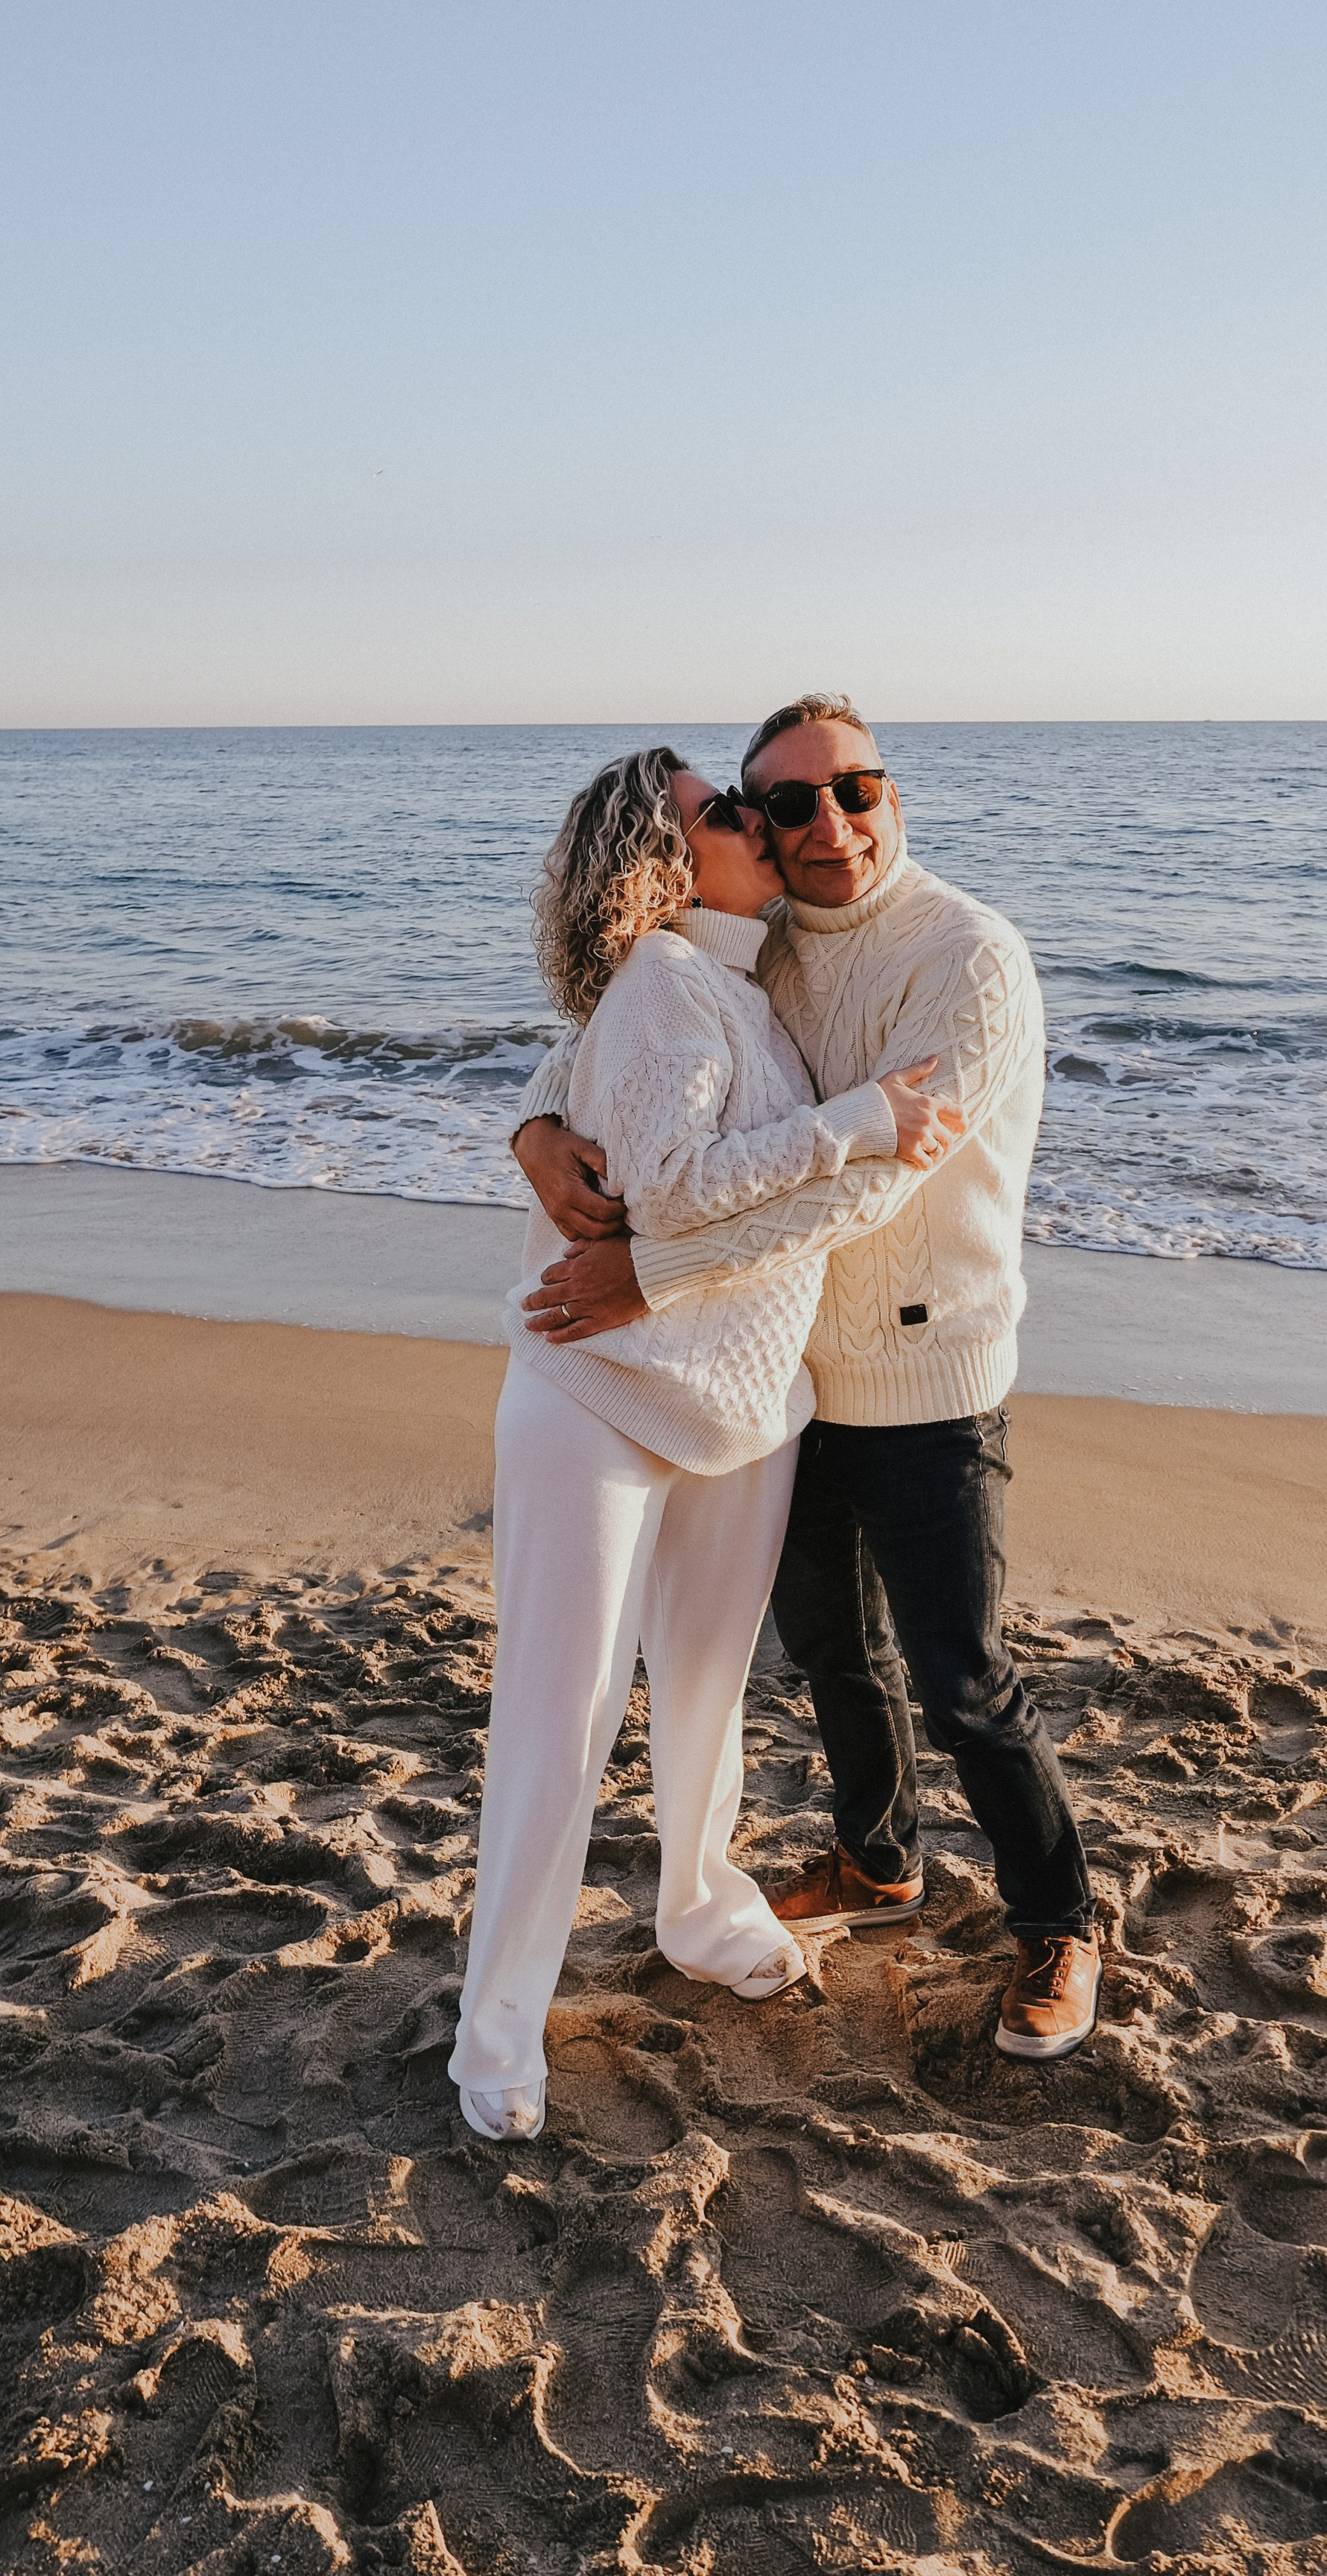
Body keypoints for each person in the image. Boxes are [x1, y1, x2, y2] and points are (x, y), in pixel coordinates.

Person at [511, 694, 1101, 2062]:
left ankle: (1058, 1916)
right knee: (831, 1647)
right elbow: (621, 1017)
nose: (825, 824)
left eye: (854, 788)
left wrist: (648, 1275)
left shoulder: (971, 959)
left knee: (962, 1674)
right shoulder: (764, 937)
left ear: (894, 794)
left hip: (926, 1366)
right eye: (782, 803)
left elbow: (881, 1174)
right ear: (757, 827)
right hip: (783, 1376)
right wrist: (536, 1127)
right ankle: (877, 1860)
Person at [449, 744, 955, 2140]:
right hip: (600, 1396)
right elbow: (671, 1194)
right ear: (666, 864)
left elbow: (588, 1073)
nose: (761, 823)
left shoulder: (740, 975)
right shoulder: (673, 977)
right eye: (727, 811)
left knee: (706, 1696)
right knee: (561, 1719)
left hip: (741, 1407)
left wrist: (532, 1119)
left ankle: (695, 1906)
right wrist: (864, 1122)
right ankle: (495, 2034)